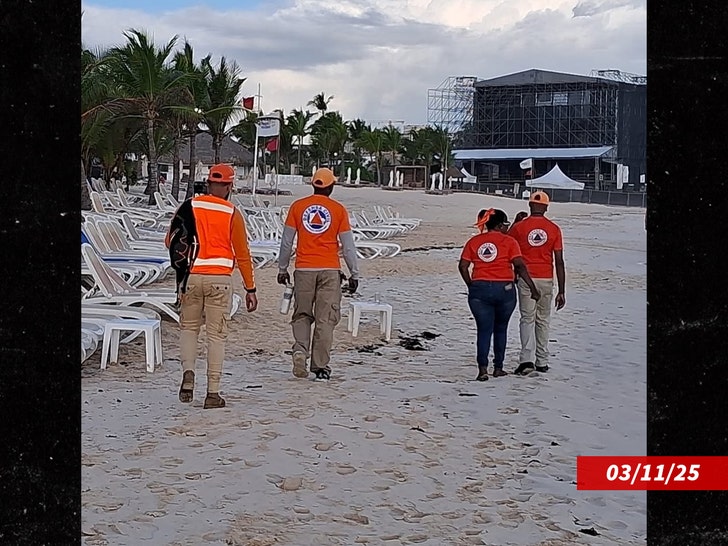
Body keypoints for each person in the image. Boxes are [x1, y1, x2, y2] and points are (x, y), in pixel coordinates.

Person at [165, 163, 258, 409]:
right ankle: (213, 393)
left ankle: (188, 373)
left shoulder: (188, 206)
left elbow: (170, 240)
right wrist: (250, 288)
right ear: (229, 186)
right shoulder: (232, 213)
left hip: (190, 279)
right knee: (216, 336)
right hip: (220, 281)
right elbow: (243, 253)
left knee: (189, 329)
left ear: (208, 184)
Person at [277, 167, 360, 381]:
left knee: (302, 314)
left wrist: (282, 268)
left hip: (303, 269)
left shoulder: (297, 207)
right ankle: (320, 366)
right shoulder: (338, 210)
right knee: (326, 319)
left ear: (313, 185)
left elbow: (287, 242)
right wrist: (354, 274)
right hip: (330, 270)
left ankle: (299, 351)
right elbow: (348, 246)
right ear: (331, 187)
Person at [458, 209, 540, 381]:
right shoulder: (509, 242)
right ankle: (498, 368)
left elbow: (463, 266)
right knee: (501, 329)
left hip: (479, 290)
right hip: (504, 289)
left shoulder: (474, 241)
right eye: (506, 225)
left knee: (484, 330)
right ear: (500, 225)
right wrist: (532, 287)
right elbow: (519, 266)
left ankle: (482, 370)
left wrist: (471, 285)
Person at [508, 191, 566, 375]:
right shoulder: (554, 229)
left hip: (526, 278)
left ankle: (526, 360)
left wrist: (515, 223)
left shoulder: (519, 227)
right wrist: (562, 290)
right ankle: (542, 360)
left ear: (530, 205)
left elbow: (505, 243)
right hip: (546, 277)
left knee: (527, 318)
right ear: (546, 207)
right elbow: (559, 261)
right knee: (543, 320)